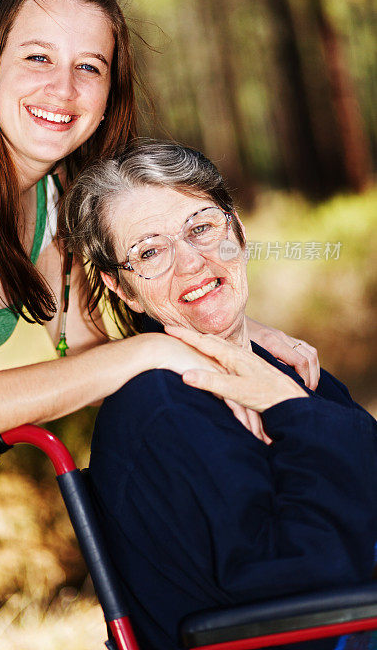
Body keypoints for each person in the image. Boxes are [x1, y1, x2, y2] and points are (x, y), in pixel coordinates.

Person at [0, 0, 317, 649]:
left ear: (107, 96)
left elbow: (104, 347)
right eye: (37, 57)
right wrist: (158, 349)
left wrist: (232, 334)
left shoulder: (51, 203)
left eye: (87, 68)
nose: (60, 89)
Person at [62, 139, 377, 650]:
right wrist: (294, 414)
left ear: (239, 232)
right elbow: (297, 582)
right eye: (150, 251)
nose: (190, 263)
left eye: (202, 228)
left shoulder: (281, 363)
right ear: (121, 288)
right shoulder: (163, 410)